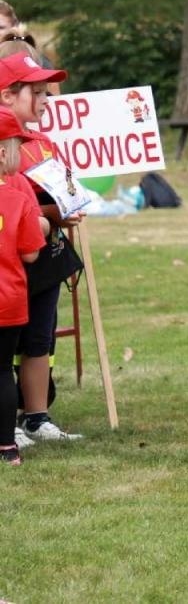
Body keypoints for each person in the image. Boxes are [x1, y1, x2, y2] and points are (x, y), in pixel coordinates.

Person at [1, 52, 84, 444]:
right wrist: (45, 215)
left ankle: (36, 416)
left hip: (44, 256)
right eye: (36, 92)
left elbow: (57, 194)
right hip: (10, 261)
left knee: (40, 338)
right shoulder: (4, 146)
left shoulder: (43, 143)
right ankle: (8, 424)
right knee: (6, 346)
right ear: (6, 96)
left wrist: (63, 210)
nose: (46, 99)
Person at [0, 108, 46, 467]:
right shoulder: (18, 199)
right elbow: (31, 254)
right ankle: (7, 448)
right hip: (10, 302)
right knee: (2, 371)